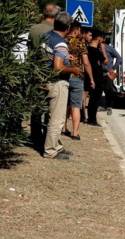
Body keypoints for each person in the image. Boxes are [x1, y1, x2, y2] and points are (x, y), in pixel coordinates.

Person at [43, 11, 81, 160]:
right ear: (68, 27)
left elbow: (50, 57)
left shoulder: (46, 36)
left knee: (51, 117)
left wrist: (65, 57)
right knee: (57, 119)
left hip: (44, 79)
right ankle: (51, 150)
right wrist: (73, 69)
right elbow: (57, 67)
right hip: (57, 83)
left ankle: (56, 146)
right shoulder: (60, 42)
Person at [29, 2, 60, 150]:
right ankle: (47, 139)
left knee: (36, 107)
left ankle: (34, 135)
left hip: (35, 71)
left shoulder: (33, 29)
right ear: (56, 15)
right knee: (51, 109)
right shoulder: (56, 32)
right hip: (50, 74)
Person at [65, 21, 94, 140]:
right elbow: (86, 63)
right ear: (76, 30)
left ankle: (63, 128)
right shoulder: (80, 43)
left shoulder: (63, 40)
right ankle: (75, 133)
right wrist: (91, 78)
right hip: (77, 76)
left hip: (64, 73)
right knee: (75, 105)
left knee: (65, 104)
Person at [85, 31, 106, 126]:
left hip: (90, 75)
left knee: (92, 98)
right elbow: (105, 60)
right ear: (99, 39)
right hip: (96, 77)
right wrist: (103, 49)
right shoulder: (96, 50)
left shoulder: (87, 49)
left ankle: (91, 118)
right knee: (95, 99)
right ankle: (92, 119)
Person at [101, 37, 122, 115]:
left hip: (108, 73)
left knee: (109, 90)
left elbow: (119, 58)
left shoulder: (110, 48)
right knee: (102, 90)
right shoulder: (97, 47)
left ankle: (109, 106)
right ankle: (104, 106)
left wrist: (113, 68)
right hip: (99, 72)